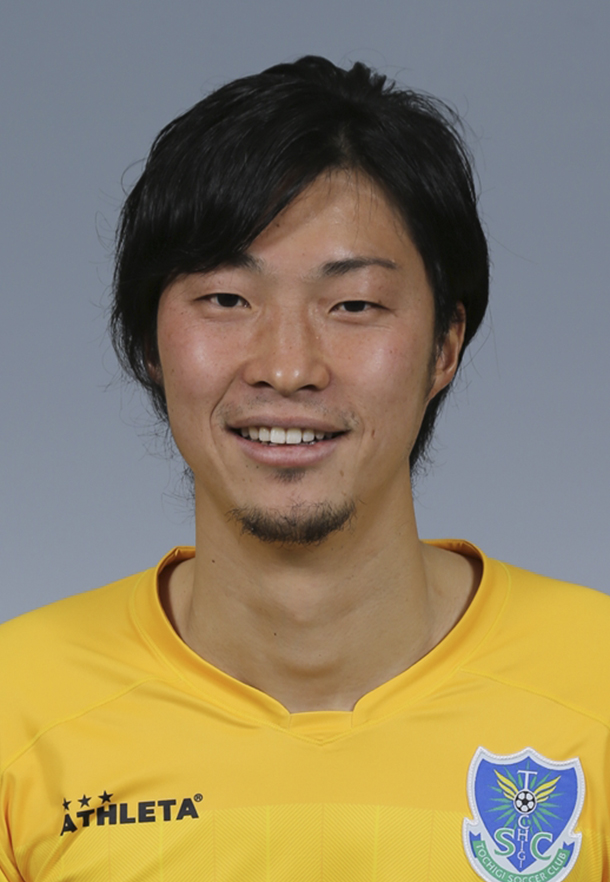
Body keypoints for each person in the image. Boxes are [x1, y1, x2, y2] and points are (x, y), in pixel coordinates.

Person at [0, 56, 608, 882]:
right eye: (226, 299)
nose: (287, 368)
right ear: (149, 344)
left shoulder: (597, 684)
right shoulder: (19, 707)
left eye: (353, 305)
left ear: (446, 346)